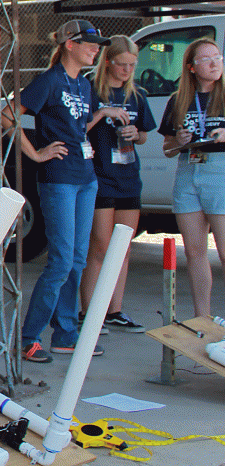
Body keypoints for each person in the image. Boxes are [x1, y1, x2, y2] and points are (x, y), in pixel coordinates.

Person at [6, 19, 113, 364]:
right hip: (59, 178)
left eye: (98, 45)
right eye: (90, 44)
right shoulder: (50, 80)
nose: (96, 50)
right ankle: (28, 337)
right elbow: (8, 116)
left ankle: (66, 334)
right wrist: (36, 153)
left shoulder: (83, 83)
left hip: (85, 176)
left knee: (78, 259)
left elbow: (80, 124)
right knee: (62, 260)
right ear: (70, 43)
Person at [77, 36, 155, 333]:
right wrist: (103, 113)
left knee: (123, 247)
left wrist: (137, 134)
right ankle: (89, 311)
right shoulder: (91, 89)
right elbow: (79, 127)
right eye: (122, 64)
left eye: (132, 65)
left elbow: (145, 135)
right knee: (99, 246)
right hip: (99, 174)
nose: (126, 70)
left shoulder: (137, 94)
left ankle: (115, 310)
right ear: (108, 61)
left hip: (128, 176)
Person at [159, 38, 225, 318]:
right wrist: (180, 140)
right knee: (195, 252)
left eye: (218, 57)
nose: (214, 63)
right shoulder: (179, 99)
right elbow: (167, 149)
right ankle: (203, 318)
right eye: (206, 59)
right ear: (191, 68)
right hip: (188, 169)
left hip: (220, 171)